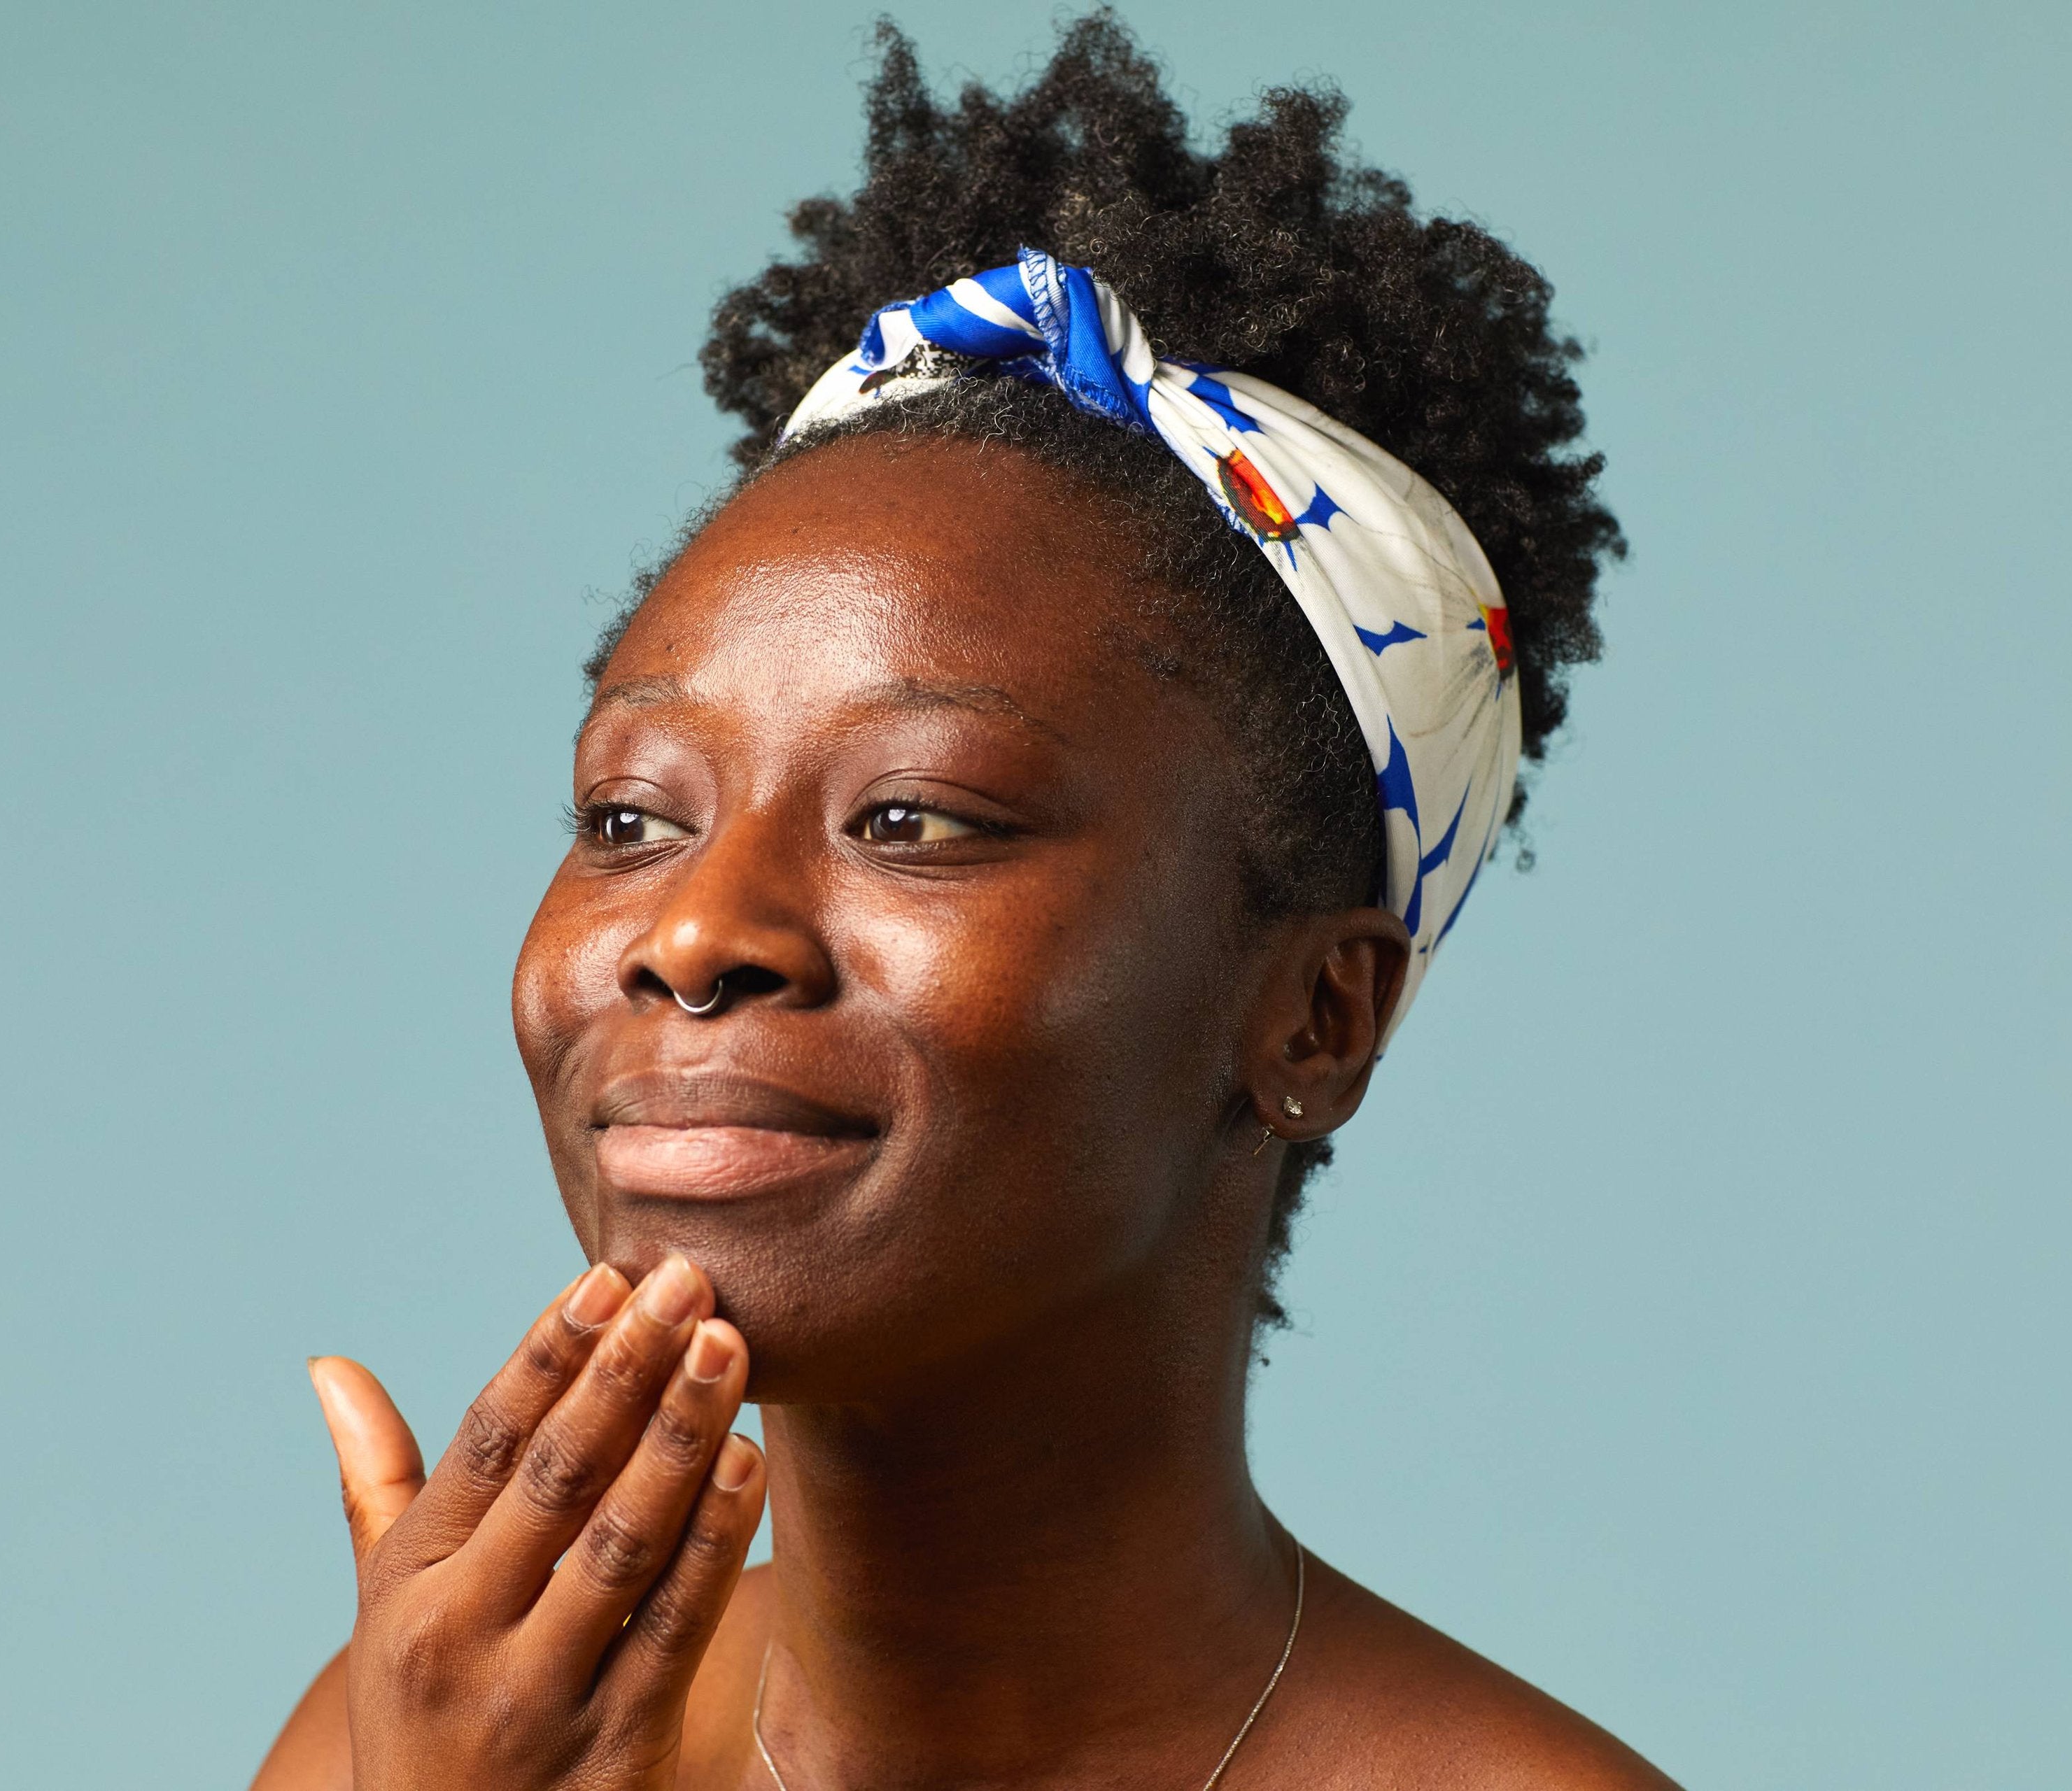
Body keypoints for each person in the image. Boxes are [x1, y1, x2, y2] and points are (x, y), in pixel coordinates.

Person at [253, 15, 1665, 1788]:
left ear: (1316, 1018)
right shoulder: (439, 1735)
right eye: (628, 814)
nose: (689, 933)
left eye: (912, 815)